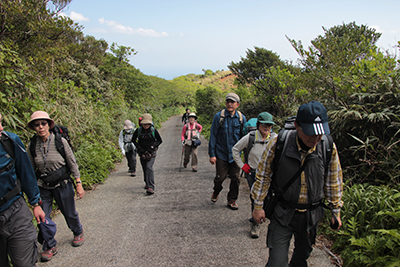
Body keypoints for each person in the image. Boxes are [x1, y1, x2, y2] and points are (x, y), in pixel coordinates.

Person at [251, 101, 343, 267]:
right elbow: (263, 175)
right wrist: (258, 206)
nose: (316, 138)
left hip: (310, 216)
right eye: (310, 133)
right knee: (277, 263)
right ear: (297, 126)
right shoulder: (279, 144)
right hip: (283, 212)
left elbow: (333, 179)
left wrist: (335, 210)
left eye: (319, 133)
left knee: (301, 258)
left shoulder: (327, 146)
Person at [27, 111, 85, 262]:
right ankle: (50, 245)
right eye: (37, 124)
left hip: (62, 184)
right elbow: (30, 170)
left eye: (43, 124)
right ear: (33, 127)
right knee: (43, 217)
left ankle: (78, 231)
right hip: (43, 186)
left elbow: (72, 162)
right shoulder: (32, 145)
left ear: (49, 125)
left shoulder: (60, 141)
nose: (40, 127)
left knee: (69, 212)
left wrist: (78, 183)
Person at [0, 113, 46, 267]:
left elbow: (26, 173)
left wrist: (36, 203)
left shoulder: (10, 141)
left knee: (24, 263)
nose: (1, 128)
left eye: (0, 122)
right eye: (37, 124)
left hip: (16, 210)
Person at [232, 112, 276, 238]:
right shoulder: (250, 137)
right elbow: (235, 150)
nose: (267, 127)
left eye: (269, 125)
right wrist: (242, 165)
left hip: (270, 173)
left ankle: (259, 215)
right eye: (264, 125)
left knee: (269, 197)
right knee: (255, 197)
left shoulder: (275, 138)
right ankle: (256, 224)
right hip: (253, 173)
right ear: (258, 125)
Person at [209, 92, 246, 210]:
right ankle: (216, 191)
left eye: (232, 102)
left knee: (236, 178)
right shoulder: (219, 117)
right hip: (221, 154)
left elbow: (244, 137)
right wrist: (212, 154)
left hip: (235, 155)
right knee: (220, 178)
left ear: (237, 104)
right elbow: (213, 136)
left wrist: (246, 155)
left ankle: (232, 200)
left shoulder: (241, 118)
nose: (230, 104)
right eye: (228, 102)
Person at [132, 113, 162, 195]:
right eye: (144, 124)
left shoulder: (153, 130)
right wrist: (138, 147)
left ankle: (150, 187)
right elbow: (133, 140)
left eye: (148, 124)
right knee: (144, 167)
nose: (146, 125)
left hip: (151, 152)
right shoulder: (138, 131)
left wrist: (152, 147)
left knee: (149, 167)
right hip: (142, 152)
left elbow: (159, 140)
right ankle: (147, 182)